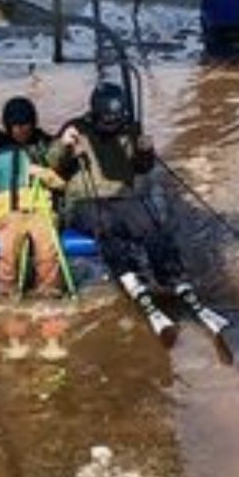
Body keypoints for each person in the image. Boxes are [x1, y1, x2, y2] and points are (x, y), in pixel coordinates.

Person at [47, 81, 185, 342]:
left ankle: (171, 277)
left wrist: (146, 151)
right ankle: (129, 276)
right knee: (107, 228)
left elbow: (142, 168)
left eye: (116, 119)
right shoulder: (75, 128)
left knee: (151, 225)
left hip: (123, 195)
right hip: (86, 200)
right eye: (107, 120)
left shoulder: (129, 130)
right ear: (96, 113)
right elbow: (53, 163)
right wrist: (64, 145)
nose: (112, 125)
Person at [0, 96, 65, 296]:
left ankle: (49, 291)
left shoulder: (46, 145)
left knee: (47, 247)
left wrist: (46, 175)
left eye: (26, 124)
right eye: (16, 126)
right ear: (8, 126)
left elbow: (64, 185)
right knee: (9, 248)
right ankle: (7, 293)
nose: (22, 130)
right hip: (9, 213)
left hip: (41, 211)